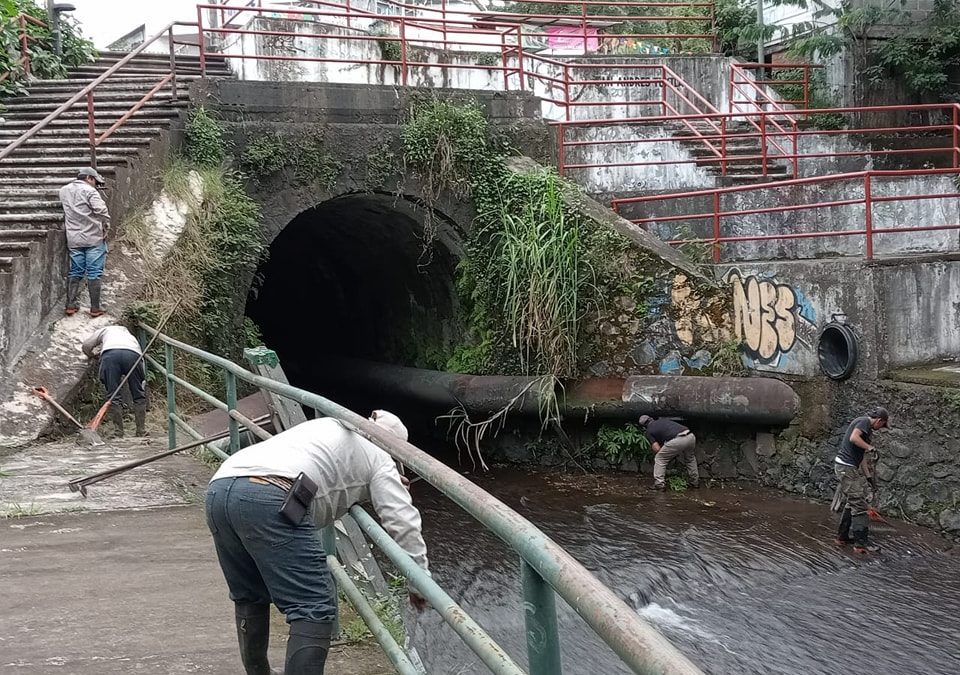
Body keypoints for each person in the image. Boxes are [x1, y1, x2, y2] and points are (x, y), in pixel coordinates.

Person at [205, 410, 429, 675]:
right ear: (393, 448)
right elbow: (403, 521)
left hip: (220, 488)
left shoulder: (329, 425)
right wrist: (419, 581)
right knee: (314, 607)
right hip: (270, 496)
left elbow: (331, 474)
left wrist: (373, 484)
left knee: (249, 595)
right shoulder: (380, 457)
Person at [834, 407, 889, 554]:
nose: (880, 428)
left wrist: (869, 477)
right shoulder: (864, 421)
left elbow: (862, 457)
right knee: (859, 505)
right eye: (882, 425)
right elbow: (853, 438)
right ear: (879, 420)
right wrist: (871, 448)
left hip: (850, 467)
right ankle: (861, 543)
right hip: (845, 467)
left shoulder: (866, 431)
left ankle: (842, 537)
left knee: (852, 501)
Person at [60, 167, 110, 317]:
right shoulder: (90, 191)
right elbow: (101, 211)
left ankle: (70, 305)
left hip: (74, 238)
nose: (95, 185)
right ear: (89, 178)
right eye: (95, 181)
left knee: (76, 270)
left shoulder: (64, 190)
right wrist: (106, 225)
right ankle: (95, 307)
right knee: (94, 272)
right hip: (93, 238)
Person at [81, 325, 147, 437]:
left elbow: (86, 345)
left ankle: (118, 432)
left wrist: (91, 354)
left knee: (113, 395)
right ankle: (141, 430)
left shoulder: (105, 330)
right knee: (138, 394)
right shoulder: (130, 336)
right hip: (133, 355)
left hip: (110, 355)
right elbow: (142, 366)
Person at [638, 414, 699, 491]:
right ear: (651, 419)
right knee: (690, 458)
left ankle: (659, 484)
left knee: (660, 458)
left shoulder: (649, 431)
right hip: (690, 436)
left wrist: (668, 454)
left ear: (644, 426)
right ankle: (694, 482)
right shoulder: (662, 420)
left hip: (678, 440)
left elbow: (657, 449)